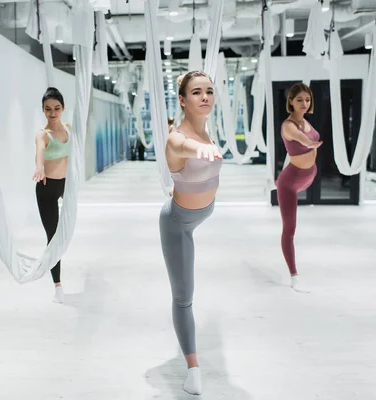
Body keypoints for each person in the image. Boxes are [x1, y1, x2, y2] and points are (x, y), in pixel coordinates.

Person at [159, 71, 223, 395]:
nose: (205, 97)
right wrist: (199, 151)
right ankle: (193, 370)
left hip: (200, 215)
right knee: (184, 298)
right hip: (178, 222)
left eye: (209, 91)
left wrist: (206, 147)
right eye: (196, 92)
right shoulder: (178, 137)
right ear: (182, 100)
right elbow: (181, 146)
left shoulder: (207, 131)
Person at [276, 83, 322, 293]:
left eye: (307, 100)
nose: (304, 104)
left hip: (308, 175)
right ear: (291, 102)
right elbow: (301, 138)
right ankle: (294, 275)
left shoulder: (306, 121)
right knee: (290, 229)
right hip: (290, 182)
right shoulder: (288, 125)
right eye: (300, 100)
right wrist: (310, 144)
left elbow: (308, 135)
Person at [32, 87, 71, 303]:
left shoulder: (68, 129)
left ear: (63, 108)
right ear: (43, 110)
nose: (53, 113)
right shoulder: (42, 134)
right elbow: (39, 152)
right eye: (48, 109)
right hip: (47, 188)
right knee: (53, 238)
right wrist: (39, 167)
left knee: (66, 233)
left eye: (56, 108)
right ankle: (57, 285)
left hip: (66, 186)